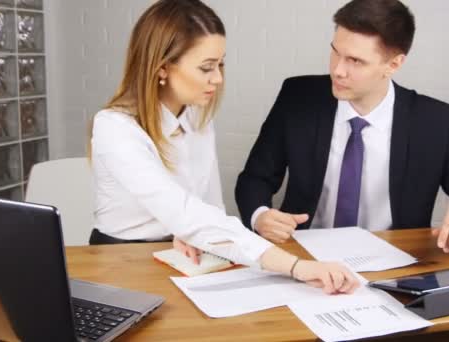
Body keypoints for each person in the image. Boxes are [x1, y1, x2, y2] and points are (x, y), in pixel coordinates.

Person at [89, 0, 359, 294]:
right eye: (206, 67)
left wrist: (195, 236)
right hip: (121, 262)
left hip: (180, 255)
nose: (217, 78)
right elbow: (184, 212)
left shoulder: (196, 117)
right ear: (163, 68)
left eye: (220, 64)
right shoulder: (114, 127)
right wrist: (297, 267)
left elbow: (209, 210)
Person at [235, 0, 449, 254]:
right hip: (303, 256)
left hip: (394, 261)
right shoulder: (298, 97)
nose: (338, 70)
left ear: (393, 64)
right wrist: (260, 216)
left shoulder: (435, 121)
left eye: (355, 61)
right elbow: (254, 178)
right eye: (335, 52)